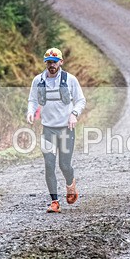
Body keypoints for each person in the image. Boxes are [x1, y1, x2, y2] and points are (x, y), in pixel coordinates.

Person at [27, 47, 86, 213]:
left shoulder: (70, 80)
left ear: (61, 62)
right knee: (49, 164)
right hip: (48, 129)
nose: (51, 65)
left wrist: (74, 114)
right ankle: (54, 202)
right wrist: (31, 112)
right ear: (45, 63)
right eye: (48, 62)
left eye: (54, 62)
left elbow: (81, 100)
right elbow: (32, 100)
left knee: (64, 164)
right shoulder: (38, 81)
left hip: (66, 129)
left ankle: (70, 184)